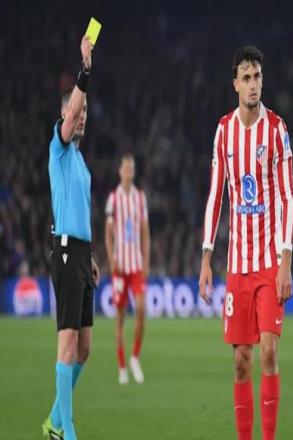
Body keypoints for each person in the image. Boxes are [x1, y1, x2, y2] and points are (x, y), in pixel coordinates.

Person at [199, 46, 293, 440]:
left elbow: (287, 197)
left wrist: (286, 260)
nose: (253, 84)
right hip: (237, 266)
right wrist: (206, 258)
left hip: (270, 262)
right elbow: (215, 197)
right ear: (235, 84)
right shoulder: (224, 131)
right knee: (241, 360)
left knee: (269, 351)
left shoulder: (277, 130)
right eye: (246, 78)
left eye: (257, 77)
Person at [43, 35, 99, 440]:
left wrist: (90, 255)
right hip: (63, 253)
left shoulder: (79, 161)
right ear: (65, 115)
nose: (82, 117)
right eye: (76, 112)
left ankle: (53, 420)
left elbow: (80, 212)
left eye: (85, 113)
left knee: (84, 348)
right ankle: (66, 431)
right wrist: (85, 69)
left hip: (80, 253)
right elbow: (74, 104)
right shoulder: (59, 148)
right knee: (66, 346)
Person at [105, 154, 150, 384]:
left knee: (141, 309)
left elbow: (145, 232)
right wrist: (111, 261)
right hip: (120, 267)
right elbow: (108, 234)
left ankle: (134, 357)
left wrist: (146, 262)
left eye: (131, 169)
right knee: (121, 317)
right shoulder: (113, 199)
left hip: (136, 265)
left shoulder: (140, 198)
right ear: (120, 171)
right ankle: (122, 367)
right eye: (125, 169)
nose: (128, 173)